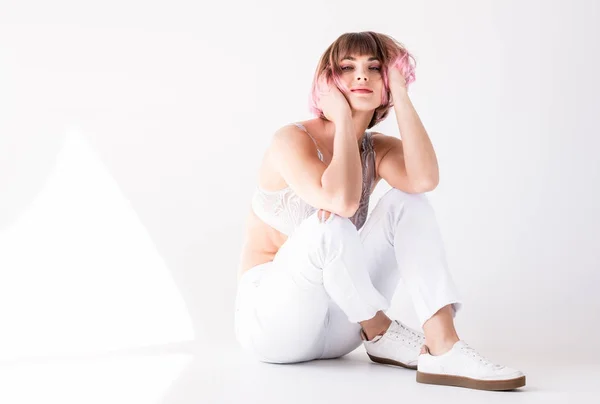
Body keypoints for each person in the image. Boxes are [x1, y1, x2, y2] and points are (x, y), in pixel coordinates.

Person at [234, 31, 525, 391]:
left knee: (408, 202)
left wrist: (401, 93)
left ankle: (444, 346)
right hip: (273, 324)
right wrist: (341, 117)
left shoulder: (377, 148)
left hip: (343, 327)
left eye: (375, 68)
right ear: (327, 81)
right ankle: (381, 328)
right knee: (329, 225)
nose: (362, 76)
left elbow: (424, 179)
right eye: (347, 67)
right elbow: (340, 201)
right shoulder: (290, 140)